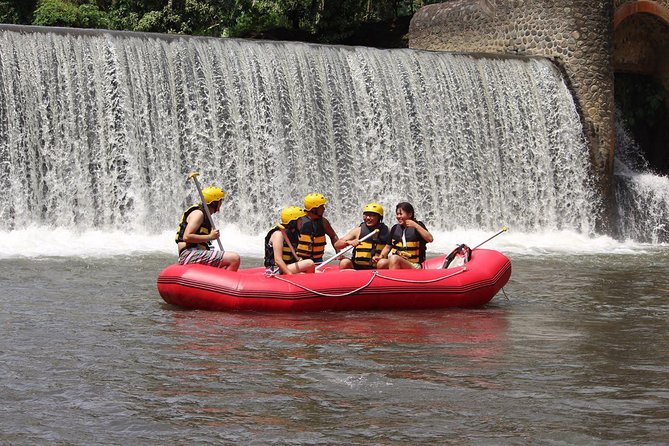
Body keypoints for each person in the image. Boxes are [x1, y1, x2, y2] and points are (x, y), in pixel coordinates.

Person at [174, 186, 241, 270]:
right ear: (214, 202)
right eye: (220, 200)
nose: (221, 203)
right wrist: (210, 237)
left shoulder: (205, 215)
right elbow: (187, 237)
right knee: (234, 259)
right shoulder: (198, 214)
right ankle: (224, 282)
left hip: (197, 253)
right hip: (190, 254)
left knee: (225, 262)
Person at [377, 202, 434, 270]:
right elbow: (388, 247)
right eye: (397, 214)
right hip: (397, 261)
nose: (398, 217)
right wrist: (381, 257)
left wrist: (416, 226)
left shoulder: (418, 226)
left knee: (394, 258)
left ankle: (395, 279)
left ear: (410, 214)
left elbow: (430, 239)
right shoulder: (395, 228)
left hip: (415, 265)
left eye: (401, 214)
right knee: (381, 263)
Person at [334, 202, 390, 270]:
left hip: (378, 267)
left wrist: (381, 257)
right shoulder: (358, 231)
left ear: (379, 217)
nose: (368, 218)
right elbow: (337, 244)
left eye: (372, 215)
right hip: (358, 266)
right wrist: (349, 242)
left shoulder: (387, 232)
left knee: (383, 262)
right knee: (344, 262)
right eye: (366, 215)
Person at [264, 206, 316, 275]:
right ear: (293, 222)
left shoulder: (293, 234)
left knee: (317, 272)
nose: (302, 221)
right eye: (299, 219)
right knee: (310, 263)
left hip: (287, 266)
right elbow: (278, 260)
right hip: (275, 270)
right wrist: (290, 275)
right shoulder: (278, 234)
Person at [296, 192, 339, 264]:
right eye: (321, 206)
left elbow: (333, 236)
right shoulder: (299, 221)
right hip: (300, 260)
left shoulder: (323, 222)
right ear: (313, 209)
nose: (324, 209)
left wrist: (338, 252)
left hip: (318, 260)